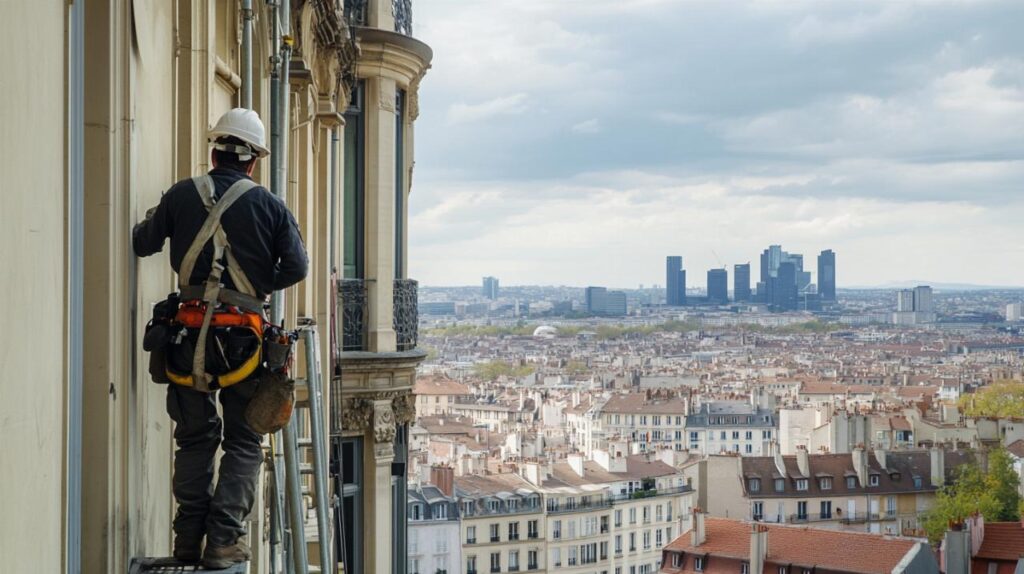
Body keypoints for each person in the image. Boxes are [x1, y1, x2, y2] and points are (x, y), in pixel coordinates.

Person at [132, 108, 308, 568]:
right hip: (242, 343)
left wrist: (162, 217)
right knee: (243, 442)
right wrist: (254, 284)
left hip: (185, 337)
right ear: (253, 161)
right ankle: (223, 540)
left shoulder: (181, 194)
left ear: (214, 152)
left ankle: (188, 539)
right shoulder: (269, 205)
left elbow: (143, 241)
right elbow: (297, 267)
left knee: (194, 439)